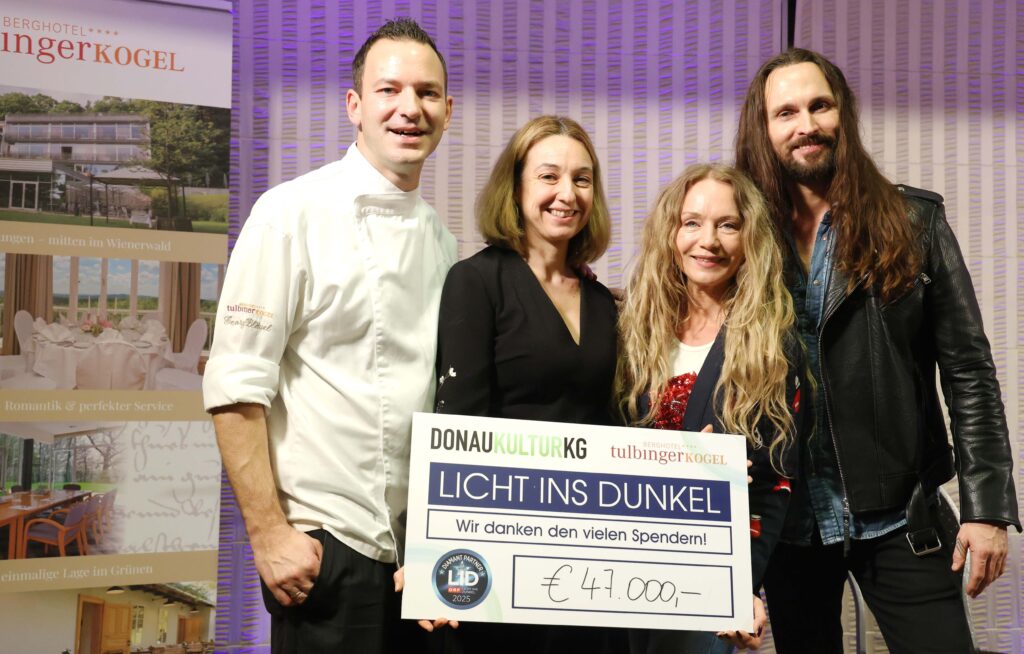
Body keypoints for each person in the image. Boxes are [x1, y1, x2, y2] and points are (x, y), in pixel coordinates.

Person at [735, 48, 1021, 653]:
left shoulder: (914, 220)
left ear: (843, 113)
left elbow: (969, 371)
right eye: (786, 112)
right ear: (763, 128)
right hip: (789, 526)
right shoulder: (741, 234)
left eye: (820, 106)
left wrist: (988, 507)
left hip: (902, 517)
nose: (806, 124)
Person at [203, 18, 455, 653]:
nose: (409, 108)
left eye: (426, 93)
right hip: (326, 550)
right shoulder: (289, 213)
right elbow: (235, 386)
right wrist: (268, 534)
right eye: (388, 90)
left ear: (447, 112)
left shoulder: (442, 241)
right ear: (354, 106)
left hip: (411, 561)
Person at [433, 115, 622, 653]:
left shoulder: (603, 302)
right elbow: (458, 428)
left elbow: (614, 425)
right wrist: (439, 556)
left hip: (589, 555)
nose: (567, 193)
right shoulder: (476, 281)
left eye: (582, 179)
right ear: (514, 189)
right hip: (502, 552)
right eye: (549, 176)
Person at [616, 163, 806, 653]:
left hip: (706, 577)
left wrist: (744, 584)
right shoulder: (631, 327)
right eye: (692, 222)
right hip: (615, 567)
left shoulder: (773, 344)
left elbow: (775, 484)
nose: (709, 241)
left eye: (728, 225)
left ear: (749, 240)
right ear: (670, 232)